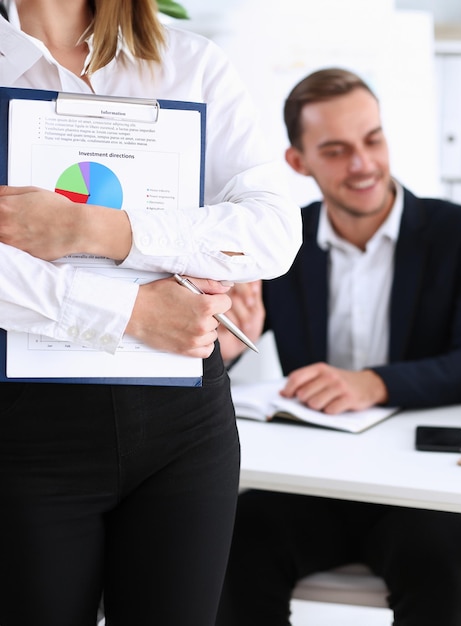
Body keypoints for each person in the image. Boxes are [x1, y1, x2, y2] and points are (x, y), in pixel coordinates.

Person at [0, 1, 302, 625]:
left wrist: (95, 227)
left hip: (182, 427)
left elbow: (274, 231)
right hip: (24, 428)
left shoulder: (189, 64)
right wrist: (131, 310)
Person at [216, 67, 461, 626]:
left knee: (437, 548)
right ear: (298, 163)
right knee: (233, 538)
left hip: (420, 489)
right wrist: (226, 347)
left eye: (372, 140)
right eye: (336, 150)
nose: (363, 164)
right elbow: (238, 329)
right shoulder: (282, 241)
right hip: (318, 480)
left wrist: (371, 383)